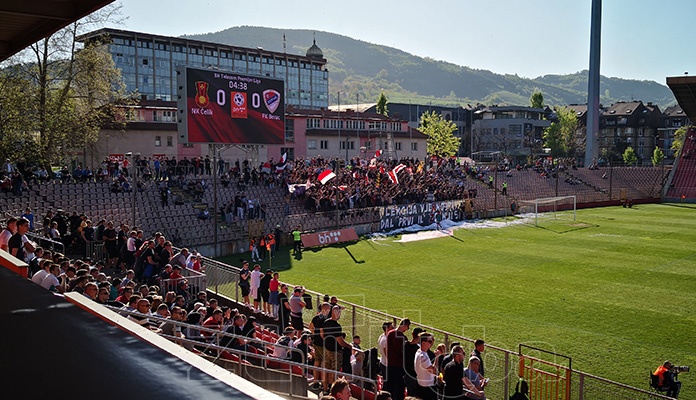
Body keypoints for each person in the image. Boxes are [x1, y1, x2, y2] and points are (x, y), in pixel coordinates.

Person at [385, 318, 411, 400]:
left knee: (390, 387)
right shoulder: (402, 337)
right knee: (399, 389)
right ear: (405, 326)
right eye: (408, 327)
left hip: (390, 364)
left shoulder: (390, 333)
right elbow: (403, 353)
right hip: (399, 366)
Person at [414, 333, 438, 400]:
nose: (432, 343)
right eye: (430, 341)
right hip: (427, 387)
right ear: (423, 342)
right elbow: (433, 371)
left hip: (422, 384)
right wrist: (437, 357)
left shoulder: (419, 352)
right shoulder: (423, 356)